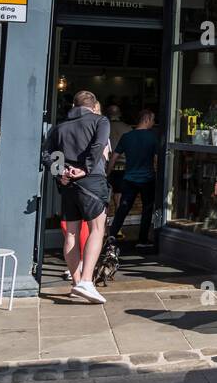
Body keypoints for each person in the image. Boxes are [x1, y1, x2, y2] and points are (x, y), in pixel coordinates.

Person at [42, 90, 111, 305]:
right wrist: (86, 168)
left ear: (74, 105)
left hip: (68, 185)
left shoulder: (59, 127)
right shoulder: (100, 121)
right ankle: (87, 282)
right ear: (93, 106)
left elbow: (45, 154)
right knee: (97, 230)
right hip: (91, 181)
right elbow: (99, 146)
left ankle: (76, 283)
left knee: (71, 233)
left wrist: (60, 171)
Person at [107, 109, 159, 248]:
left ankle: (112, 235)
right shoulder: (152, 137)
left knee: (123, 208)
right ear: (146, 119)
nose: (153, 123)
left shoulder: (127, 137)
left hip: (129, 178)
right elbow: (156, 160)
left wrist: (107, 173)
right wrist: (159, 175)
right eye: (153, 120)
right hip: (147, 179)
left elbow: (114, 157)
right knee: (147, 210)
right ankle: (142, 240)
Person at [105, 104, 132, 210]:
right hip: (124, 165)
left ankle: (106, 219)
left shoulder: (103, 127)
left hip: (106, 164)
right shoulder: (128, 128)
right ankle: (118, 219)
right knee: (120, 194)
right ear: (120, 114)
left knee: (105, 194)